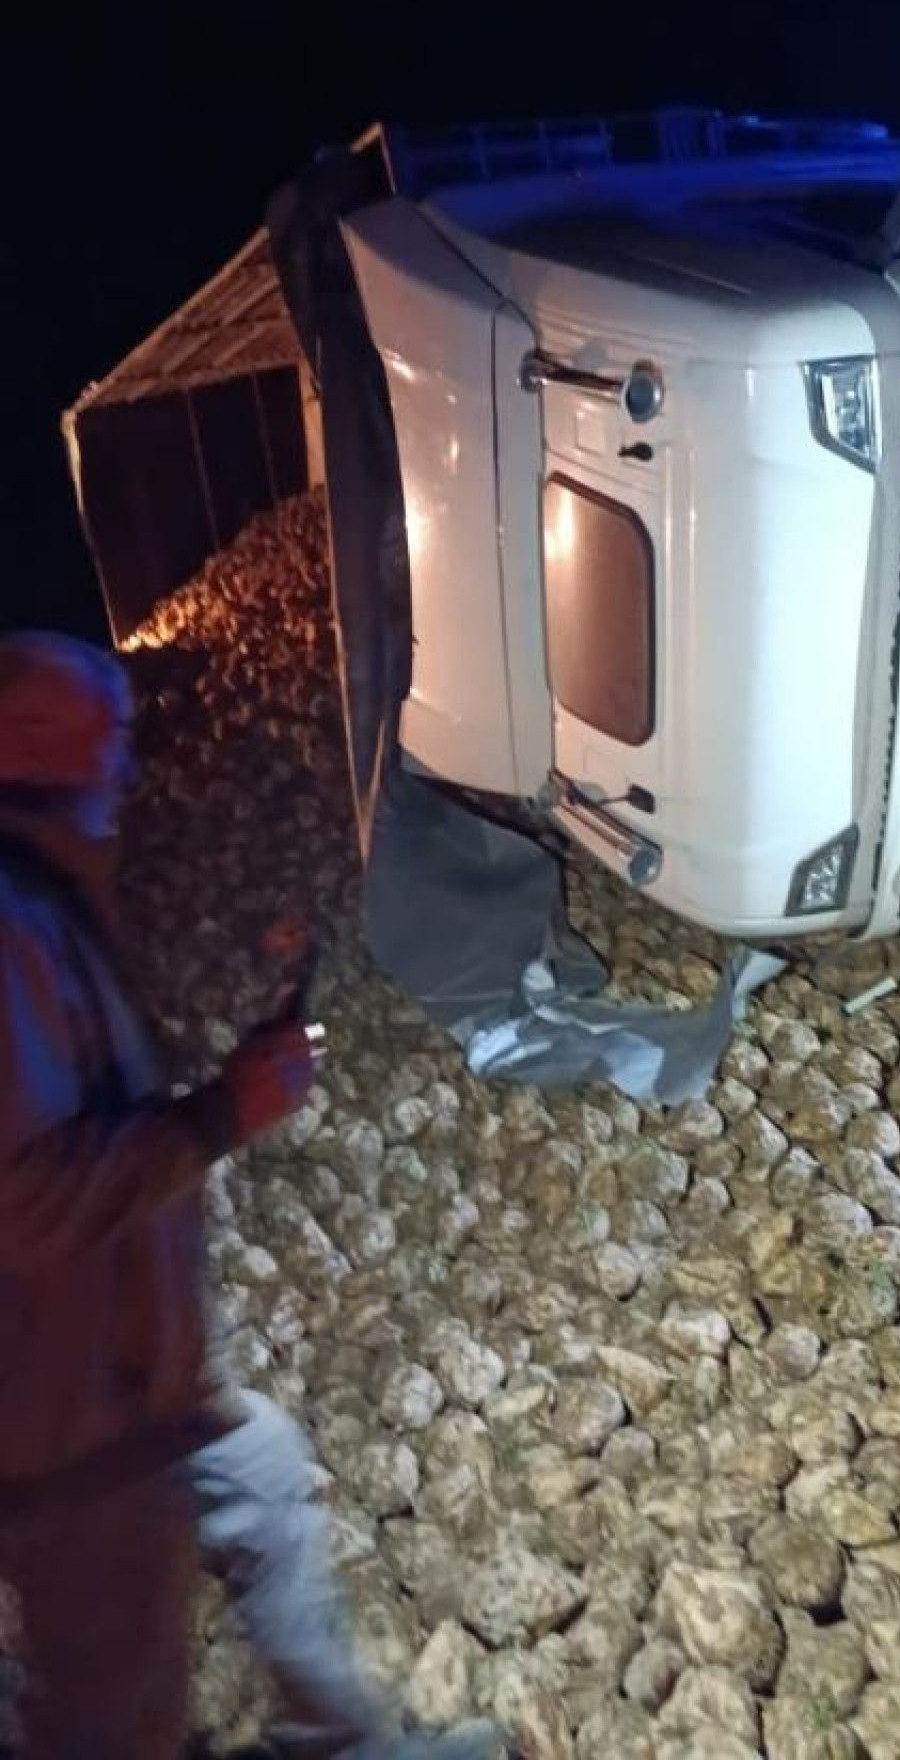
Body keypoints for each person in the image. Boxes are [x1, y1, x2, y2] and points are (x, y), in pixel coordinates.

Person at [0, 632, 510, 1760]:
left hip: (136, 1378)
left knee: (264, 1476)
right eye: (107, 736)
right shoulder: (11, 924)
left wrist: (247, 982)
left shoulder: (51, 892)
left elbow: (89, 1073)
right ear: (28, 744)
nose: (129, 761)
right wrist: (224, 1113)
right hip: (71, 1429)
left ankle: (340, 1737)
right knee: (113, 1712)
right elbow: (28, 1202)